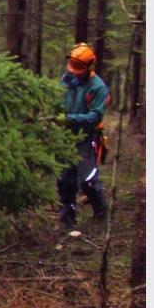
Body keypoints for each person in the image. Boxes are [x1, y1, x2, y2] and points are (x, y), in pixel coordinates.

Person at [57, 43, 110, 228]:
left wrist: (68, 119)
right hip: (66, 137)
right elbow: (57, 99)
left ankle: (101, 214)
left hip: (87, 138)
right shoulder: (66, 80)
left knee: (88, 180)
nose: (75, 72)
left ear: (89, 67)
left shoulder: (98, 88)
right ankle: (67, 218)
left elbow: (95, 116)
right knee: (65, 180)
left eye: (79, 69)